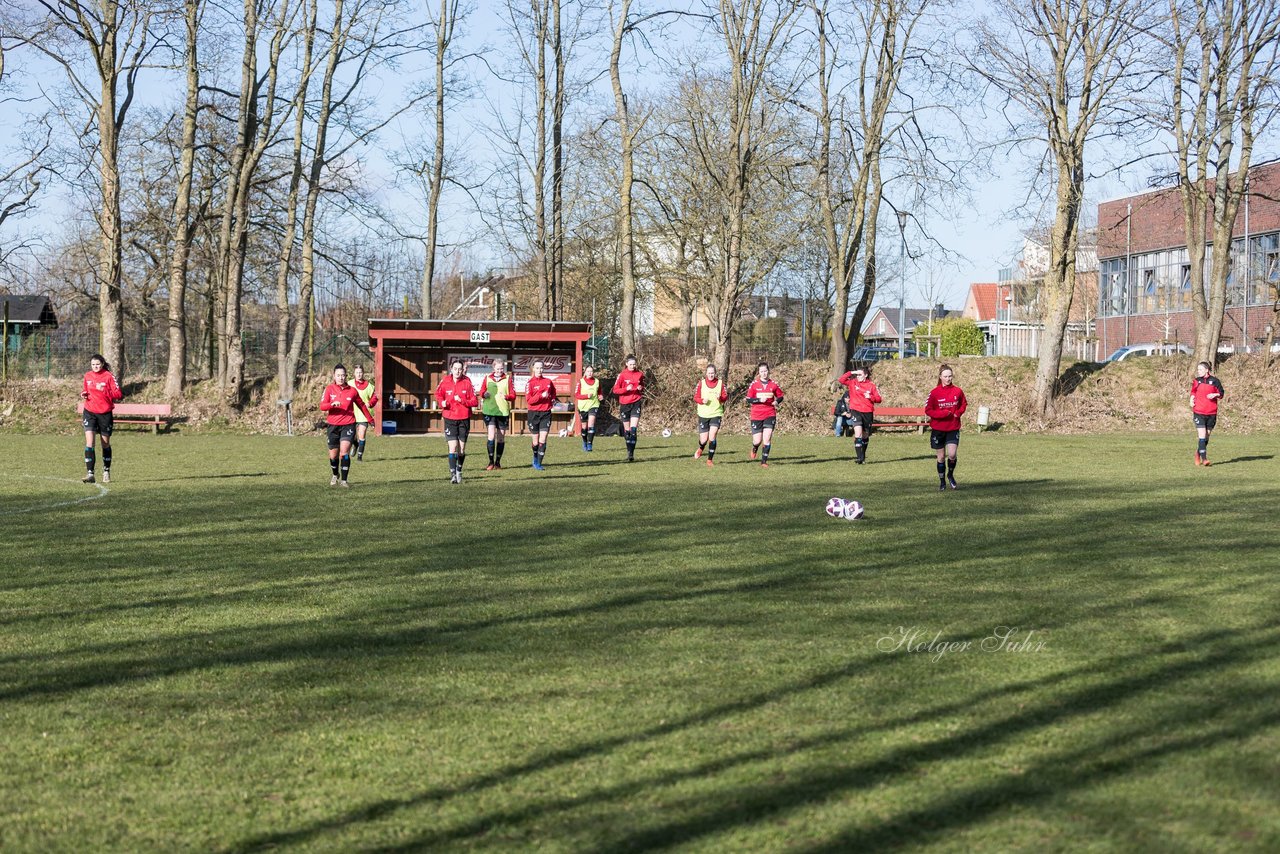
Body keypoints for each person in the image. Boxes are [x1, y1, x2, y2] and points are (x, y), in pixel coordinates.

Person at [319, 363, 374, 488]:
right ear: (334, 376)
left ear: (346, 376)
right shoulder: (329, 389)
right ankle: (335, 474)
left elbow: (362, 406)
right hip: (333, 425)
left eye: (343, 375)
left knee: (344, 453)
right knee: (333, 455)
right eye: (338, 375)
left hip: (348, 425)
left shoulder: (352, 391)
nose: (341, 378)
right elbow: (322, 406)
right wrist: (332, 404)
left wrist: (370, 419)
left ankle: (344, 481)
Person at [80, 353, 123, 484]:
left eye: (97, 364)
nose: (95, 367)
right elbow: (86, 390)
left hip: (105, 414)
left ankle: (106, 471)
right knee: (90, 442)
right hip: (89, 412)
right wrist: (84, 394)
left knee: (104, 444)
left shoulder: (109, 376)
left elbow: (119, 394)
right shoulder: (87, 376)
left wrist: (104, 391)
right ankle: (90, 474)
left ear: (102, 364)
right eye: (93, 365)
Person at [924, 364, 967, 490]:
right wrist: (943, 414)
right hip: (938, 429)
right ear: (940, 377)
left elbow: (963, 404)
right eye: (945, 376)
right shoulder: (934, 393)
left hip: (953, 427)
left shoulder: (958, 391)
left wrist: (958, 413)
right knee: (941, 457)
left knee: (952, 454)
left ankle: (950, 475)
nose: (948, 379)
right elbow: (928, 410)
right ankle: (942, 481)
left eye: (950, 376)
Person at [435, 359, 479, 483]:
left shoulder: (467, 382)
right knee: (452, 447)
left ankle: (459, 470)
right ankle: (453, 474)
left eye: (460, 369)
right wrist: (441, 402)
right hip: (449, 417)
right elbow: (438, 394)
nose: (458, 371)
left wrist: (462, 401)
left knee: (462, 449)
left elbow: (474, 401)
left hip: (464, 418)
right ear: (451, 369)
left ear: (463, 369)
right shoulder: (445, 381)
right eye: (455, 369)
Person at [837, 365, 882, 464]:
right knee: (858, 433)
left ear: (865, 375)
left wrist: (870, 397)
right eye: (857, 374)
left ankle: (863, 456)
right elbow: (841, 380)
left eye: (860, 374)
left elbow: (879, 399)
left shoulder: (871, 386)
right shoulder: (852, 383)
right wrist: (852, 372)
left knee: (865, 435)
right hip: (855, 410)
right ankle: (859, 458)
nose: (858, 376)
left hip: (868, 412)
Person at [478, 357, 517, 470]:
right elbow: (481, 392)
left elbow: (513, 395)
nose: (500, 371)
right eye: (498, 368)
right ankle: (490, 462)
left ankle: (498, 462)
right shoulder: (487, 378)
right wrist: (484, 394)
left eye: (501, 368)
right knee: (491, 436)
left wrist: (506, 396)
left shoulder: (508, 378)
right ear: (493, 368)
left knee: (501, 438)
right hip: (489, 411)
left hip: (503, 412)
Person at [746, 362, 784, 467]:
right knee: (757, 440)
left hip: (770, 414)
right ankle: (755, 448)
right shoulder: (754, 384)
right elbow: (748, 399)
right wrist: (759, 399)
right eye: (762, 371)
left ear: (768, 371)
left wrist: (777, 401)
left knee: (767, 438)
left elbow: (780, 396)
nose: (764, 373)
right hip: (756, 415)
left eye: (765, 371)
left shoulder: (773, 384)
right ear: (759, 372)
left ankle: (763, 462)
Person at [1190, 360, 1225, 466]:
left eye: (1200, 369)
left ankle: (1198, 453)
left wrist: (1214, 395)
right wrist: (1191, 399)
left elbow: (1221, 393)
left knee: (1206, 437)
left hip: (1211, 413)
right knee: (1201, 435)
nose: (1198, 371)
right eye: (1198, 369)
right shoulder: (1197, 381)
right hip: (1199, 412)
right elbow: (1193, 391)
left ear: (1206, 370)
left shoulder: (1215, 381)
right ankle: (1204, 459)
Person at [525, 360, 558, 470]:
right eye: (537, 368)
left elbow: (553, 392)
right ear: (533, 369)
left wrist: (553, 399)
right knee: (535, 441)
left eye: (541, 368)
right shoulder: (530, 383)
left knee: (542, 440)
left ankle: (539, 463)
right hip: (533, 413)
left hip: (546, 413)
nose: (540, 370)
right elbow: (529, 400)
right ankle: (535, 457)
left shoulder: (548, 381)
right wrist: (541, 396)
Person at [611, 354, 645, 462]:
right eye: (630, 364)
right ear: (626, 364)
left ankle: (631, 453)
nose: (633, 366)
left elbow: (642, 386)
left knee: (633, 430)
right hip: (625, 404)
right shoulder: (622, 375)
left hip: (636, 402)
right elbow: (615, 390)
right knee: (627, 431)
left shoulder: (640, 374)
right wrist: (626, 389)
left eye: (634, 364)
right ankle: (628, 450)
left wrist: (640, 388)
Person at [693, 363, 728, 466]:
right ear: (706, 373)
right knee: (703, 439)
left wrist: (720, 398)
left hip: (716, 413)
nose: (711, 375)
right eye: (709, 373)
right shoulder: (701, 383)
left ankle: (709, 460)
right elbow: (696, 397)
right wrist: (702, 400)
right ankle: (701, 448)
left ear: (715, 373)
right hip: (703, 414)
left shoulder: (721, 383)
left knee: (712, 436)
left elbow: (725, 397)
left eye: (712, 373)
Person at [350, 364, 378, 461]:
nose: (359, 374)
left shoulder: (369, 386)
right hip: (351, 414)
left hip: (364, 414)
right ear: (354, 373)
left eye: (360, 372)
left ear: (363, 373)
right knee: (351, 436)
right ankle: (355, 444)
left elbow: (375, 397)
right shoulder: (349, 384)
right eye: (357, 372)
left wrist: (369, 404)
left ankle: (359, 456)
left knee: (361, 435)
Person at [575, 364, 601, 451]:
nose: (590, 373)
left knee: (591, 424)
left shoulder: (597, 381)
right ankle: (584, 442)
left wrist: (600, 396)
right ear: (585, 372)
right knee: (584, 427)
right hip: (583, 407)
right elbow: (577, 395)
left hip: (594, 405)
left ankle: (590, 444)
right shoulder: (580, 381)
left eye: (591, 371)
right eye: (588, 371)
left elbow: (599, 392)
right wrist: (586, 396)